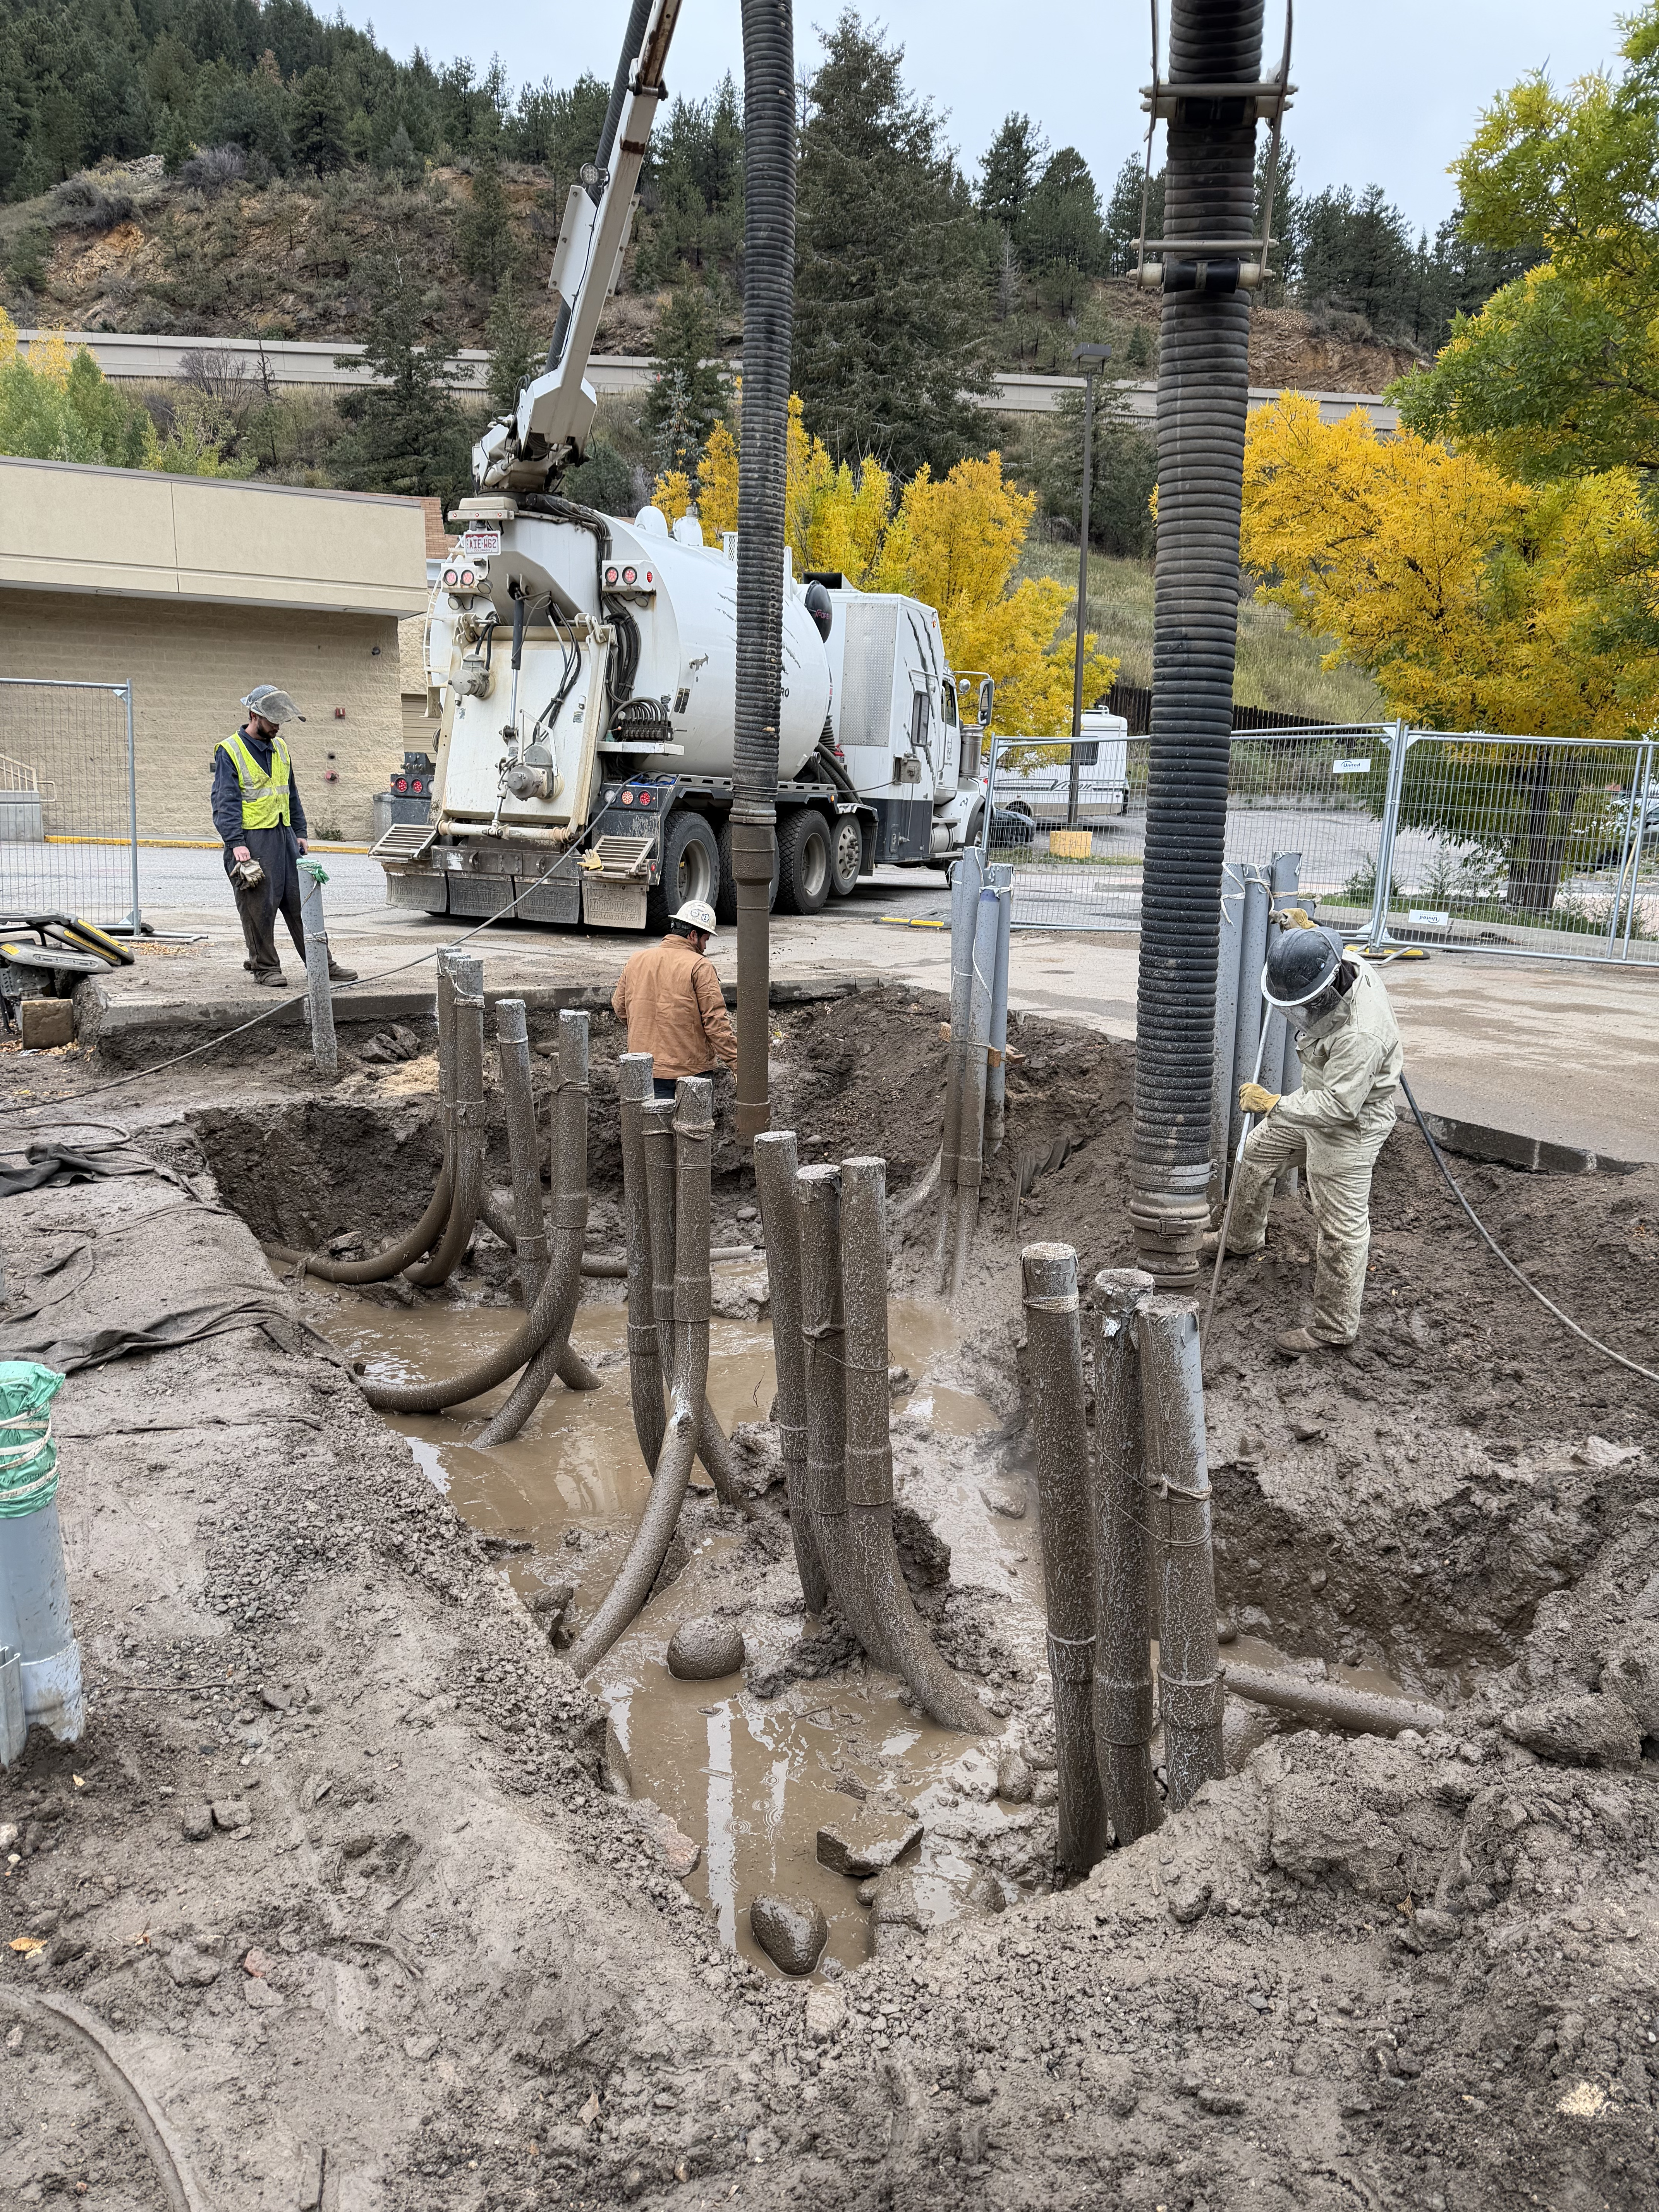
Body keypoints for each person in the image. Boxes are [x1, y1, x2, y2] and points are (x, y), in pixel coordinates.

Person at [1213, 917, 1403, 1355]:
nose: (1297, 1016)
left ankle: (1333, 1329)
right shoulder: (1340, 962)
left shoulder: (1361, 1034)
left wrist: (1273, 1104)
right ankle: (1241, 1240)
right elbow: (1334, 952)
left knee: (1340, 1230)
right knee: (1257, 1153)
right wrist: (1309, 931)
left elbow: (1339, 1107)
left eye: (1304, 1006)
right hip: (1317, 1099)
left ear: (1330, 990)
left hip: (1350, 1125)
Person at [212, 685, 356, 990]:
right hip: (251, 841)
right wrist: (236, 842)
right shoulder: (231, 750)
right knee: (258, 908)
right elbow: (225, 801)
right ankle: (265, 967)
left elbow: (291, 794)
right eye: (272, 721)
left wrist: (300, 832)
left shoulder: (280, 749)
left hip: (285, 837)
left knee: (301, 903)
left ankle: (322, 963)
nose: (278, 727)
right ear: (254, 715)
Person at [611, 900, 737, 1098]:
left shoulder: (636, 960)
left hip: (642, 1070)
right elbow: (716, 1023)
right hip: (690, 1073)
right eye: (705, 940)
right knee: (693, 1128)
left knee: (647, 1127)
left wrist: (647, 1031)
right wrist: (737, 1063)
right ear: (693, 935)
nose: (705, 948)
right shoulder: (700, 966)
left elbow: (620, 1007)